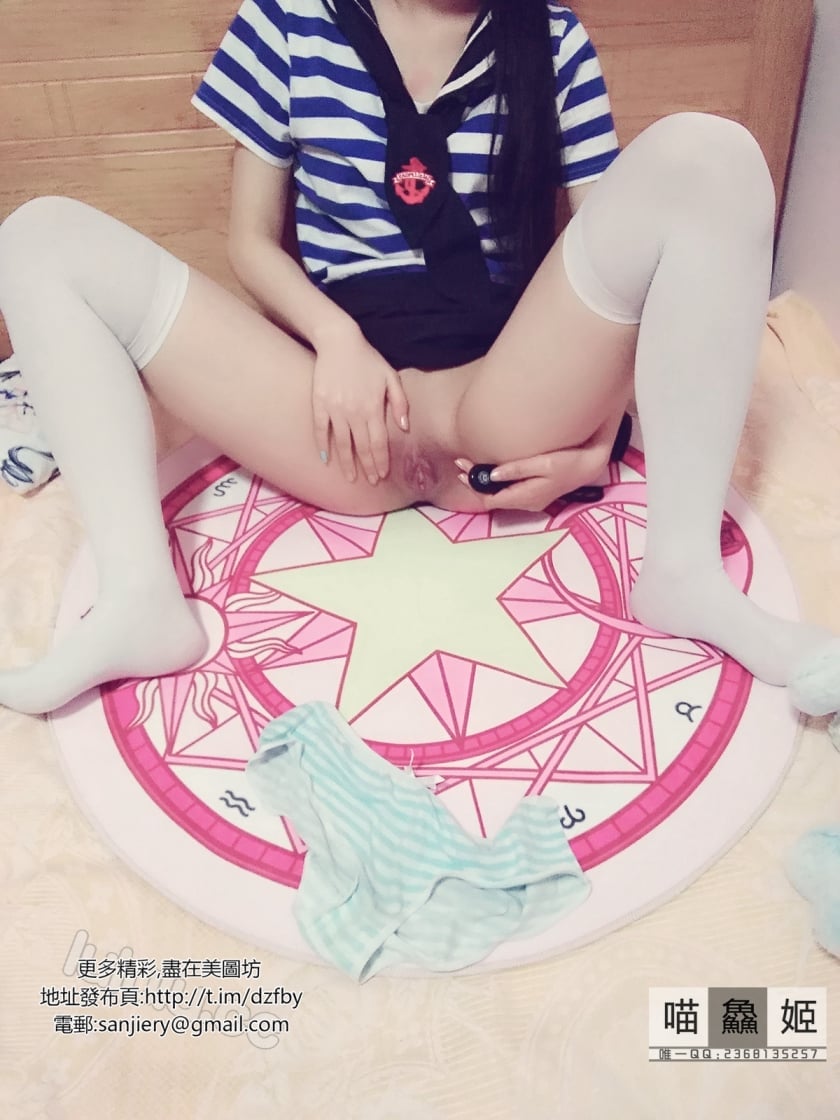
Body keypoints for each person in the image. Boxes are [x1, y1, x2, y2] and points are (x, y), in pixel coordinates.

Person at [0, 0, 837, 718]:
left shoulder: (550, 38)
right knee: (39, 238)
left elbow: (617, 266)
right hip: (334, 417)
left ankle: (686, 574)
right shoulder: (288, 20)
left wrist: (603, 435)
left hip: (503, 401)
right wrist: (336, 340)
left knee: (712, 153)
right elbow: (250, 242)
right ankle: (140, 599)